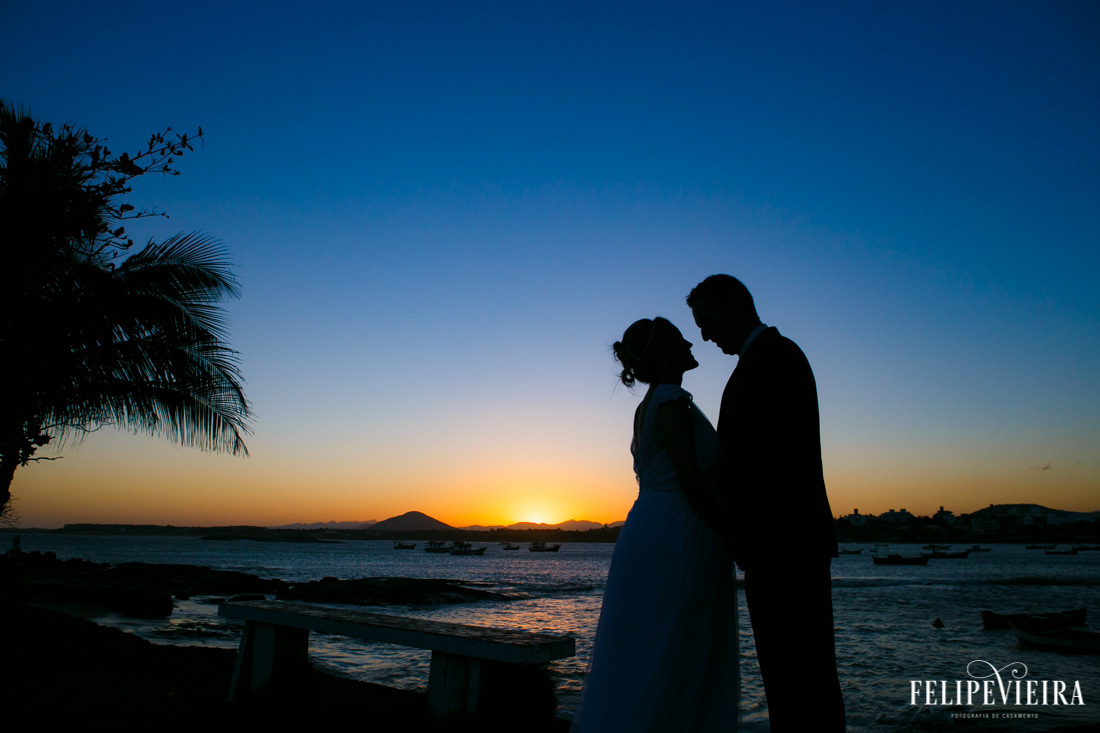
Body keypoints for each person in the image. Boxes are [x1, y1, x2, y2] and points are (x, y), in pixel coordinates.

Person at [688, 274, 845, 731]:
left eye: (707, 321)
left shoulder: (775, 358)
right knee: (792, 676)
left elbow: (774, 461)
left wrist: (742, 533)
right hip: (780, 544)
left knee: (800, 675)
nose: (705, 336)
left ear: (735, 306)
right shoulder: (767, 358)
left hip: (784, 544)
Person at [574, 317, 739, 733]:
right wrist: (735, 537)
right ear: (665, 355)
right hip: (678, 531)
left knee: (651, 649)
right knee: (678, 647)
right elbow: (690, 483)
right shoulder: (670, 401)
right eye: (680, 339)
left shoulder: (648, 405)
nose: (691, 343)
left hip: (649, 525)